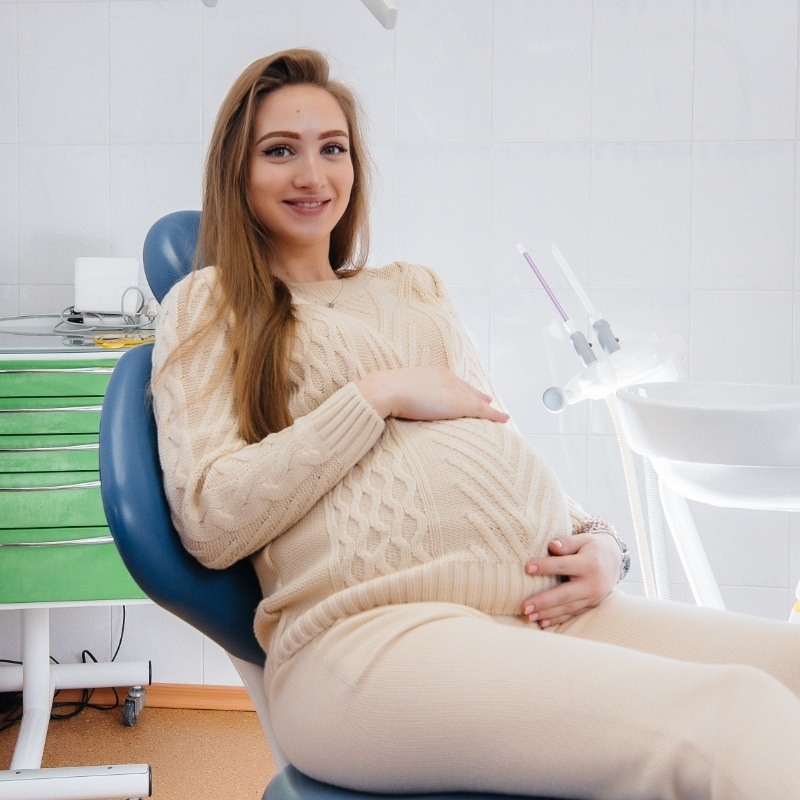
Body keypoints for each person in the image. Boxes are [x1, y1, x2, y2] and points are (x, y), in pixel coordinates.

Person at [151, 48, 800, 800]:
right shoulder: (210, 304)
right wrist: (374, 395)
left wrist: (599, 547)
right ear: (238, 170)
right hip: (370, 641)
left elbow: (498, 444)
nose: (312, 175)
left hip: (536, 610)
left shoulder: (414, 288)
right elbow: (209, 518)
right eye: (279, 152)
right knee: (734, 718)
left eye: (332, 149)